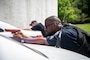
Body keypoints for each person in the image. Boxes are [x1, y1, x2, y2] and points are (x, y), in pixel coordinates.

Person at [12, 16, 86, 56]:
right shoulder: (66, 28)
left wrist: (22, 40)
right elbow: (44, 40)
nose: (45, 29)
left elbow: (44, 41)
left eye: (46, 26)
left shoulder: (63, 34)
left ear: (54, 25)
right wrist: (24, 36)